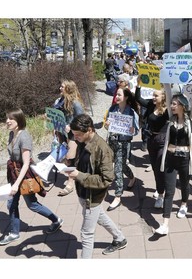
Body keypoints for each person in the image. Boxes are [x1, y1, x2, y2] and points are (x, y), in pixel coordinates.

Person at [0, 108, 63, 246]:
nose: (7, 121)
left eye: (11, 119)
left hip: (23, 175)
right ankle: (14, 233)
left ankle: (56, 219)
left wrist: (16, 184)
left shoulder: (24, 136)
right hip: (14, 173)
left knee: (32, 205)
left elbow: (26, 163)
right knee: (11, 203)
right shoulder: (12, 134)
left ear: (19, 120)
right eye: (7, 118)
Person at [66, 114, 127, 258]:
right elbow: (83, 163)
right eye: (74, 135)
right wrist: (71, 163)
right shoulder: (83, 141)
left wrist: (78, 176)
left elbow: (107, 179)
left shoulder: (102, 149)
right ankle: (120, 238)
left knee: (86, 234)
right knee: (99, 215)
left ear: (89, 130)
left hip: (92, 197)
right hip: (84, 193)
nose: (75, 138)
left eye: (78, 135)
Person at [154, 83, 192, 235]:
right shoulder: (171, 119)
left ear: (182, 106)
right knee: (170, 190)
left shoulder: (191, 120)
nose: (171, 106)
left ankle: (184, 204)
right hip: (170, 159)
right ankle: (165, 224)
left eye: (174, 104)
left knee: (185, 184)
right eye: (171, 104)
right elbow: (167, 95)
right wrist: (166, 82)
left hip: (185, 159)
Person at [135, 77, 169, 208]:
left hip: (163, 140)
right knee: (155, 168)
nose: (153, 97)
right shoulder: (150, 105)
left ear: (163, 97)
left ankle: (161, 195)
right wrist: (138, 85)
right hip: (151, 141)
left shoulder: (168, 110)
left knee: (161, 168)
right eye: (153, 95)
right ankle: (160, 188)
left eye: (156, 95)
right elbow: (139, 99)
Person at [104, 88, 140, 211]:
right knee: (122, 165)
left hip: (124, 143)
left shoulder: (131, 112)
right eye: (116, 94)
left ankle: (117, 196)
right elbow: (106, 125)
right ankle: (132, 177)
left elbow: (136, 130)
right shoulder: (112, 109)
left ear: (126, 97)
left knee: (117, 168)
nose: (117, 96)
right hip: (112, 141)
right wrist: (106, 125)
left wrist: (132, 131)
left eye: (119, 94)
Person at [56, 80, 85, 197]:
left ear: (68, 89)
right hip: (63, 133)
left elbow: (82, 120)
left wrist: (71, 126)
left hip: (73, 134)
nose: (60, 88)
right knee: (67, 158)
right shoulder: (60, 101)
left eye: (62, 87)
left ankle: (70, 183)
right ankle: (77, 175)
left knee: (70, 157)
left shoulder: (76, 104)